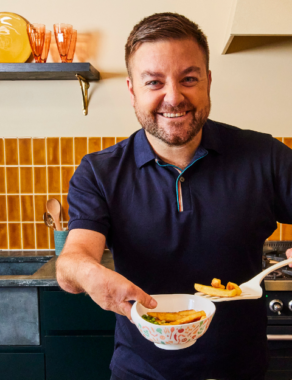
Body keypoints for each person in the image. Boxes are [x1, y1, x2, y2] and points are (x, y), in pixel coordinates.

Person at [56, 12, 292, 380]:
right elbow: (72, 262)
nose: (174, 97)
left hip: (240, 370)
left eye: (189, 79)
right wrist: (89, 274)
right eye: (154, 82)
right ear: (132, 89)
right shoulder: (99, 172)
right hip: (141, 371)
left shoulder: (266, 156)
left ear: (208, 81)